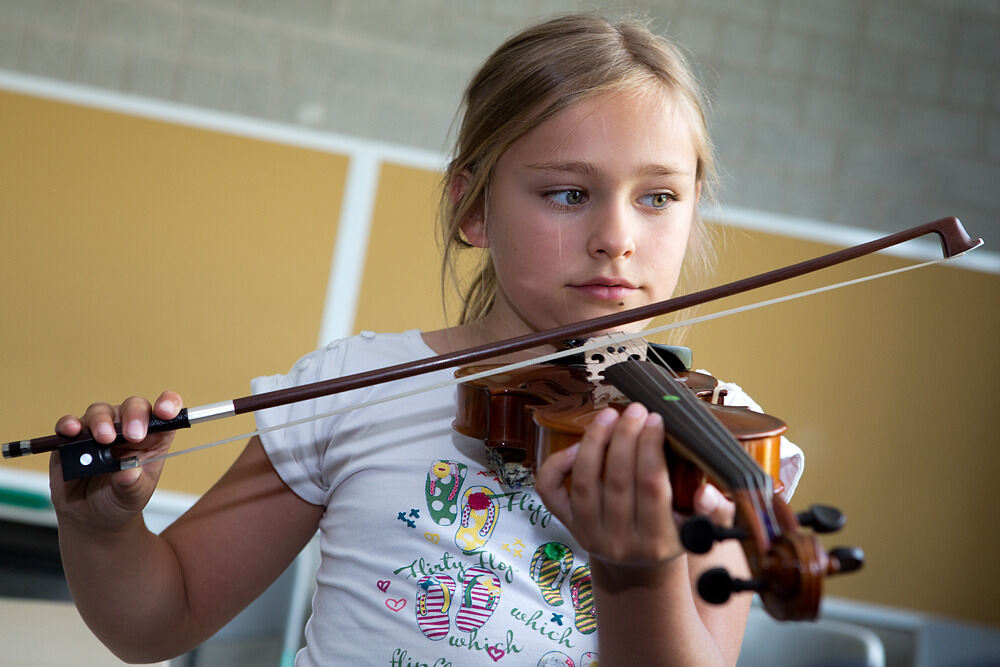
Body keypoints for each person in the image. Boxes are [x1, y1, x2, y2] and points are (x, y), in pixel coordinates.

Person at [51, 14, 802, 667]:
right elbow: (157, 618)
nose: (616, 238)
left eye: (658, 197)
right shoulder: (357, 385)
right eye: (568, 193)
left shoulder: (716, 441)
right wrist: (103, 533)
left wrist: (637, 568)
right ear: (472, 210)